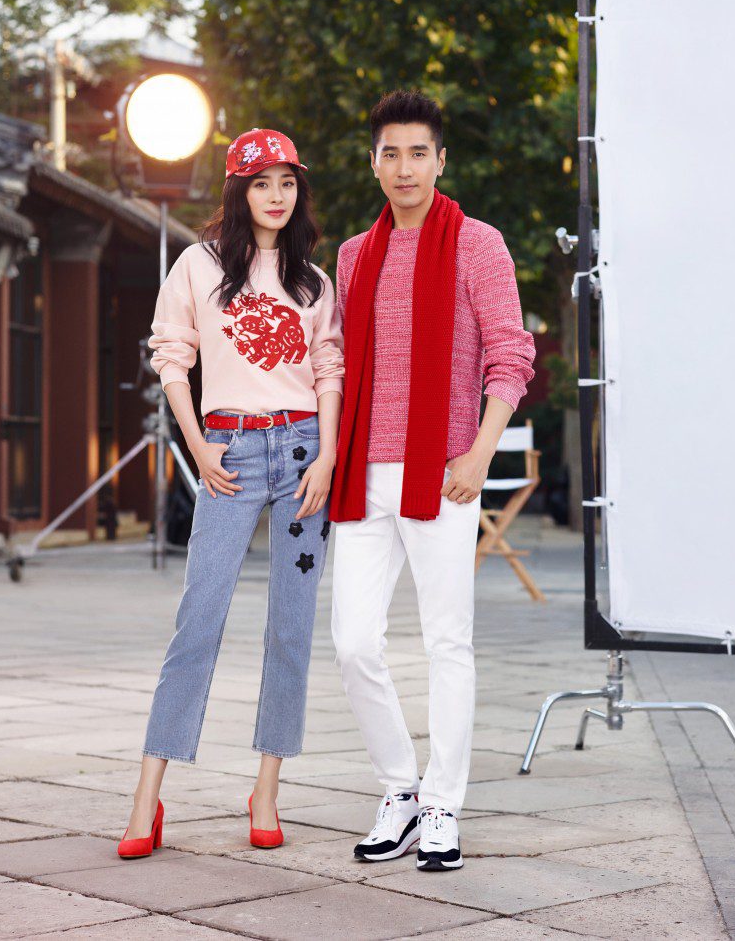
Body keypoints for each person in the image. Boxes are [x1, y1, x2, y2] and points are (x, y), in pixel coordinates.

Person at [117, 129, 344, 858]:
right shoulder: (200, 264)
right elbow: (172, 354)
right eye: (261, 183)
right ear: (238, 192)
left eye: (287, 183)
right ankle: (147, 798)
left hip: (303, 452)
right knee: (199, 620)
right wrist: (196, 442)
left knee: (291, 627)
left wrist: (328, 455)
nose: (277, 196)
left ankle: (266, 789)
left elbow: (329, 368)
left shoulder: (313, 280)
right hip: (231, 450)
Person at [329, 90, 536, 871]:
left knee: (448, 642)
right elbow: (340, 362)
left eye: (419, 152)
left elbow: (509, 354)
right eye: (391, 153)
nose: (405, 167)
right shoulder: (354, 255)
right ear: (373, 163)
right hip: (361, 474)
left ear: (441, 160)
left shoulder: (478, 245)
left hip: (443, 473)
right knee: (353, 643)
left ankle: (444, 803)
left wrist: (480, 451)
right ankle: (401, 788)